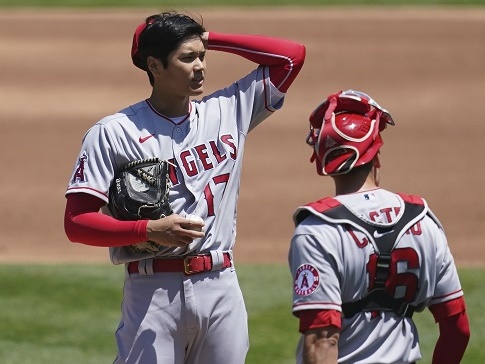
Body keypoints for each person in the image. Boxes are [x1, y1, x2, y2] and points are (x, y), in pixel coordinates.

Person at [64, 11, 305, 364]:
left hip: (221, 284)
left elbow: (291, 56)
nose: (201, 67)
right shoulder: (114, 132)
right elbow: (76, 222)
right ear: (155, 66)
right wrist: (148, 229)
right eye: (187, 58)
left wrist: (209, 38)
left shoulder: (228, 109)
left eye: (202, 57)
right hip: (152, 292)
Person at [288, 90, 470, 364]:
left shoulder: (317, 231)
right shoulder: (422, 219)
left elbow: (323, 339)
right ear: (376, 154)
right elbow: (458, 328)